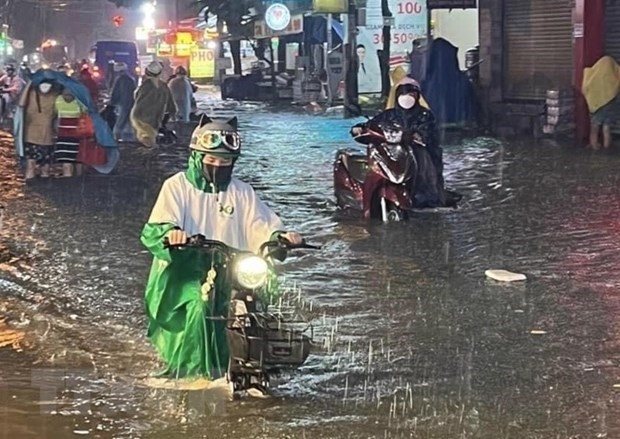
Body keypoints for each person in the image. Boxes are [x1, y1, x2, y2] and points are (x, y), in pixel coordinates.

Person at [140, 116, 303, 379]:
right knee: (200, 305)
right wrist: (172, 235)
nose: (218, 165)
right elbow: (158, 225)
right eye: (211, 160)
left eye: (225, 161)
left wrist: (281, 235)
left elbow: (260, 223)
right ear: (196, 156)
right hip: (187, 268)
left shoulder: (242, 191)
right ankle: (194, 372)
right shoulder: (176, 187)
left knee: (259, 301)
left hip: (234, 266)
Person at [351, 76, 460, 208]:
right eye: (403, 93)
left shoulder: (424, 115)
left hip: (416, 154)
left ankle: (426, 197)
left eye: (411, 93)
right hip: (393, 153)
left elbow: (428, 133)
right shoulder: (389, 114)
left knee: (424, 172)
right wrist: (359, 128)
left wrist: (418, 137)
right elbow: (372, 124)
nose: (407, 97)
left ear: (417, 96)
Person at [18, 79, 59, 180]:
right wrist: (29, 84)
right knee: (32, 166)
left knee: (44, 168)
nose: (45, 87)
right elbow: (21, 104)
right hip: (34, 136)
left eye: (47, 85)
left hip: (46, 136)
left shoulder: (55, 97)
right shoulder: (31, 94)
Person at [130, 61, 176, 147]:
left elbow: (137, 99)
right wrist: (173, 114)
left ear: (147, 72)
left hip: (141, 117)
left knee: (146, 139)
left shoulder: (145, 86)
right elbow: (171, 103)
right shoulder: (163, 86)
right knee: (150, 137)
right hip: (156, 118)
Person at [582, 55, 620, 150]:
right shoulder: (613, 77)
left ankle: (594, 146)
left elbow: (585, 88)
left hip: (596, 105)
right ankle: (606, 148)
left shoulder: (593, 76)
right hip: (609, 105)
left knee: (594, 127)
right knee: (606, 128)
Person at [54, 88, 86, 177]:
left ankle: (67, 178)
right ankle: (77, 179)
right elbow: (85, 111)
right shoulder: (80, 99)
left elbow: (55, 112)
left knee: (66, 159)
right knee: (77, 158)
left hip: (62, 134)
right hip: (77, 134)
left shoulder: (58, 99)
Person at [109, 62, 136, 141]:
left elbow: (115, 93)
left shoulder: (119, 79)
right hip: (131, 103)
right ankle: (129, 139)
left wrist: (112, 103)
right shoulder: (131, 79)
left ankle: (116, 138)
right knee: (128, 122)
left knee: (119, 122)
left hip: (122, 104)